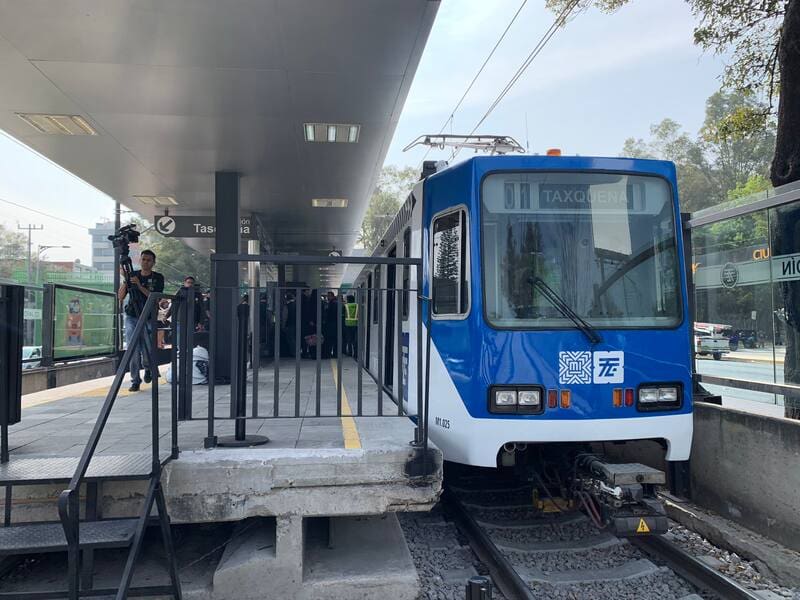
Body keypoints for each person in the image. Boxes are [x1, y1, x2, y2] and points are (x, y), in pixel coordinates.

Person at [117, 250, 164, 392]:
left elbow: (155, 297)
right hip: (132, 316)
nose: (145, 262)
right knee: (133, 348)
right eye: (143, 259)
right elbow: (120, 296)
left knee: (148, 348)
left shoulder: (158, 277)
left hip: (148, 316)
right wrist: (126, 281)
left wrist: (139, 285)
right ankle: (135, 380)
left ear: (153, 262)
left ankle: (149, 368)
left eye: (149, 260)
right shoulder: (133, 275)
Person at [322, 291, 339, 358]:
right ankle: (335, 353)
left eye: (328, 296)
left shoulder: (332, 303)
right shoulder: (335, 303)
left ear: (331, 296)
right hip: (334, 324)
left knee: (330, 340)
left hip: (331, 324)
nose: (327, 297)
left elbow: (330, 314)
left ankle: (328, 354)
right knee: (334, 340)